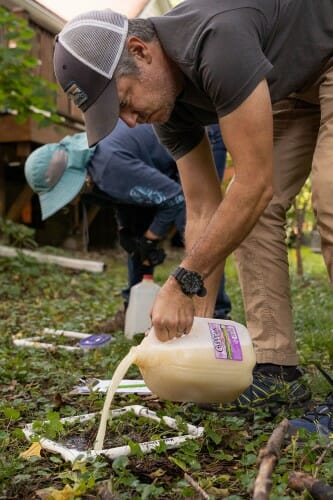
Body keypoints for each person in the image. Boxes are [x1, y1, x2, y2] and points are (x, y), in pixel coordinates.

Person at [52, 2, 332, 433]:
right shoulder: (167, 108)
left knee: (329, 201)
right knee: (252, 219)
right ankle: (278, 371)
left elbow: (254, 183)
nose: (129, 121)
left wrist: (182, 281)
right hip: (290, 82)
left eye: (124, 100)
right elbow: (203, 207)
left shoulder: (216, 41)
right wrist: (195, 337)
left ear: (141, 51)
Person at [24, 119, 232, 330]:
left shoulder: (107, 167)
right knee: (136, 239)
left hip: (197, 133)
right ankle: (134, 310)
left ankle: (215, 315)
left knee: (198, 221)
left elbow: (175, 199)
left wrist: (151, 237)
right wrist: (127, 232)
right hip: (164, 150)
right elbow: (126, 198)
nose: (68, 200)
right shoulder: (92, 171)